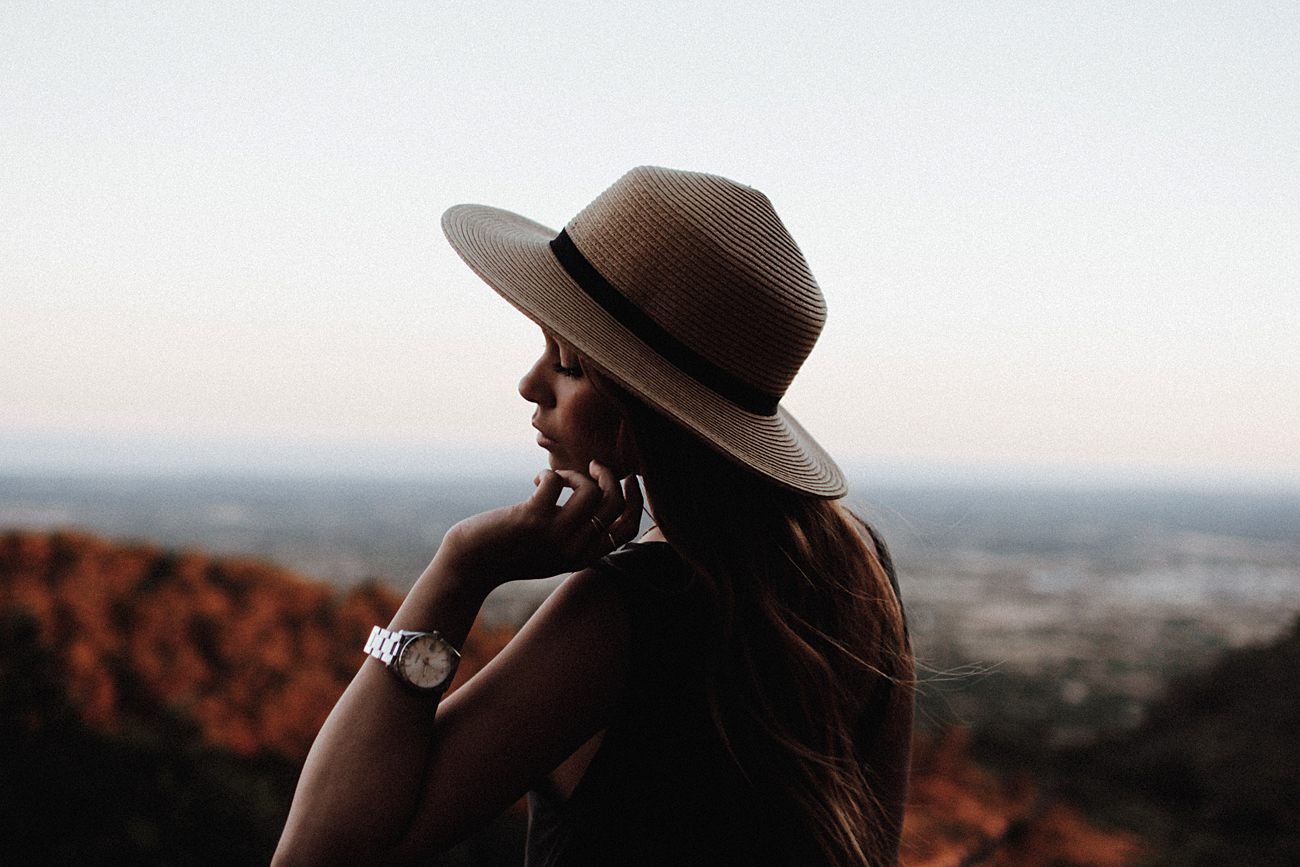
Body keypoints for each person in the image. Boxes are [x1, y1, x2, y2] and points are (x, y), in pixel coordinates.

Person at [272, 166, 914, 867]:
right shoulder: (855, 571)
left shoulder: (630, 612)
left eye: (570, 362)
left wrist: (458, 570)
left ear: (650, 410)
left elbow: (317, 849)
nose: (530, 384)